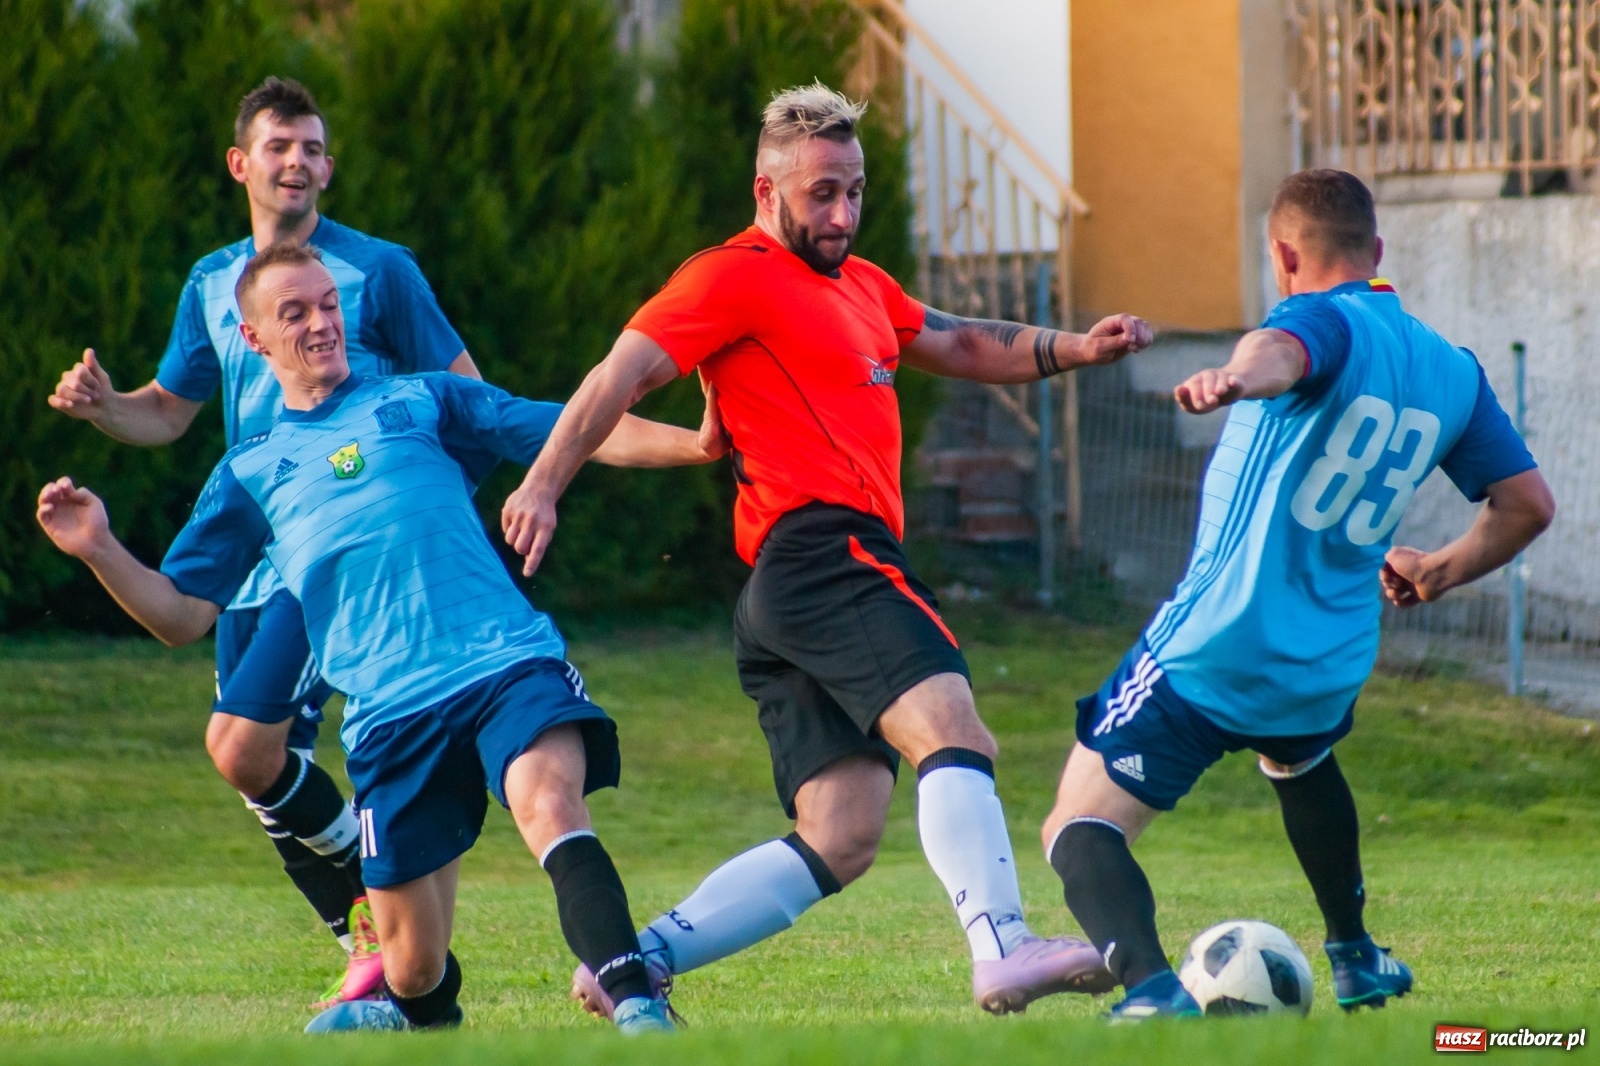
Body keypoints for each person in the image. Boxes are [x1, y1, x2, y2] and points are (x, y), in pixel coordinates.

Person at [497, 82, 1153, 1018]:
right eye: (822, 195)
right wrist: (542, 483)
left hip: (788, 586)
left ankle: (632, 960)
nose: (843, 214)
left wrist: (1076, 348)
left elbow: (966, 344)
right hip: (825, 551)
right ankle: (1004, 946)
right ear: (766, 191)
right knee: (954, 730)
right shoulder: (729, 274)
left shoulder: (865, 285)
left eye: (854, 191)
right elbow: (619, 376)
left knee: (841, 833)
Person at [38, 242, 728, 1034]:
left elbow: (575, 428)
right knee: (413, 967)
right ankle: (411, 1017)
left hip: (501, 662)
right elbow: (182, 615)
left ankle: (637, 1005)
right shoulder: (248, 473)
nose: (322, 322)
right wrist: (98, 547)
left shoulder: (425, 398)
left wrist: (695, 444)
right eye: (295, 312)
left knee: (548, 801)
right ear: (253, 338)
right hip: (389, 717)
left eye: (329, 303)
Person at [1038, 169, 1555, 1020]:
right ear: (1377, 249)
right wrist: (1439, 570)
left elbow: (1282, 351)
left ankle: (1154, 993)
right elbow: (1529, 505)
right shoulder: (1453, 370)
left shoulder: (1317, 317)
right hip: (1327, 660)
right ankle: (1355, 956)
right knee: (1300, 760)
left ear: (1284, 256)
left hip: (1220, 642)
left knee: (1075, 825)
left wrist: (1234, 377)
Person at [47, 77, 479, 1006]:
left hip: (335, 549)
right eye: (279, 146)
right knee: (253, 765)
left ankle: (388, 928)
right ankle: (379, 930)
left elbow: (466, 396)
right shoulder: (214, 283)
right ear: (240, 164)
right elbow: (168, 413)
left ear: (329, 167)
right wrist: (105, 407)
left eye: (313, 148)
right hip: (251, 548)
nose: (298, 162)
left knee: (246, 746)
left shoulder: (380, 271)